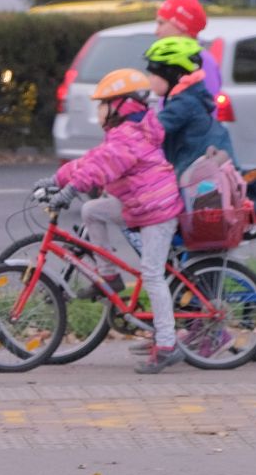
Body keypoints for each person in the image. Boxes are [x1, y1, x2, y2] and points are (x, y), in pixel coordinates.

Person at [50, 70, 186, 375]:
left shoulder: (128, 136)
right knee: (93, 211)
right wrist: (57, 179)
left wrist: (71, 190)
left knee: (152, 274)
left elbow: (102, 169)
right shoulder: (124, 133)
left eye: (103, 104)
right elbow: (93, 160)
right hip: (141, 205)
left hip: (157, 211)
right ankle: (109, 277)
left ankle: (167, 345)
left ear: (122, 106)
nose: (99, 110)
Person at [143, 35, 235, 177]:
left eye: (153, 74)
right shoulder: (191, 95)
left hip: (198, 182)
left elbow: (150, 131)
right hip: (199, 175)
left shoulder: (184, 104)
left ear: (173, 75)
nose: (149, 79)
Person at [155, 0, 222, 96]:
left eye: (161, 23)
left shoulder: (201, 61)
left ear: (181, 26)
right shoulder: (173, 57)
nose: (156, 31)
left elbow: (208, 106)